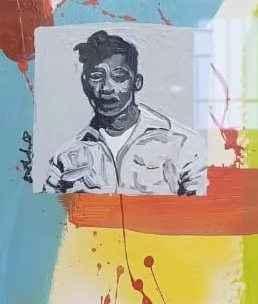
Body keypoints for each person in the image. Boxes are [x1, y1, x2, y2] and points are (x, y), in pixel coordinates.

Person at [43, 30, 207, 196]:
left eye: (119, 76)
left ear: (137, 82)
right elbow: (46, 210)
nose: (106, 88)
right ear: (85, 83)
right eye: (97, 76)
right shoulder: (66, 157)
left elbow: (202, 209)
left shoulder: (182, 144)